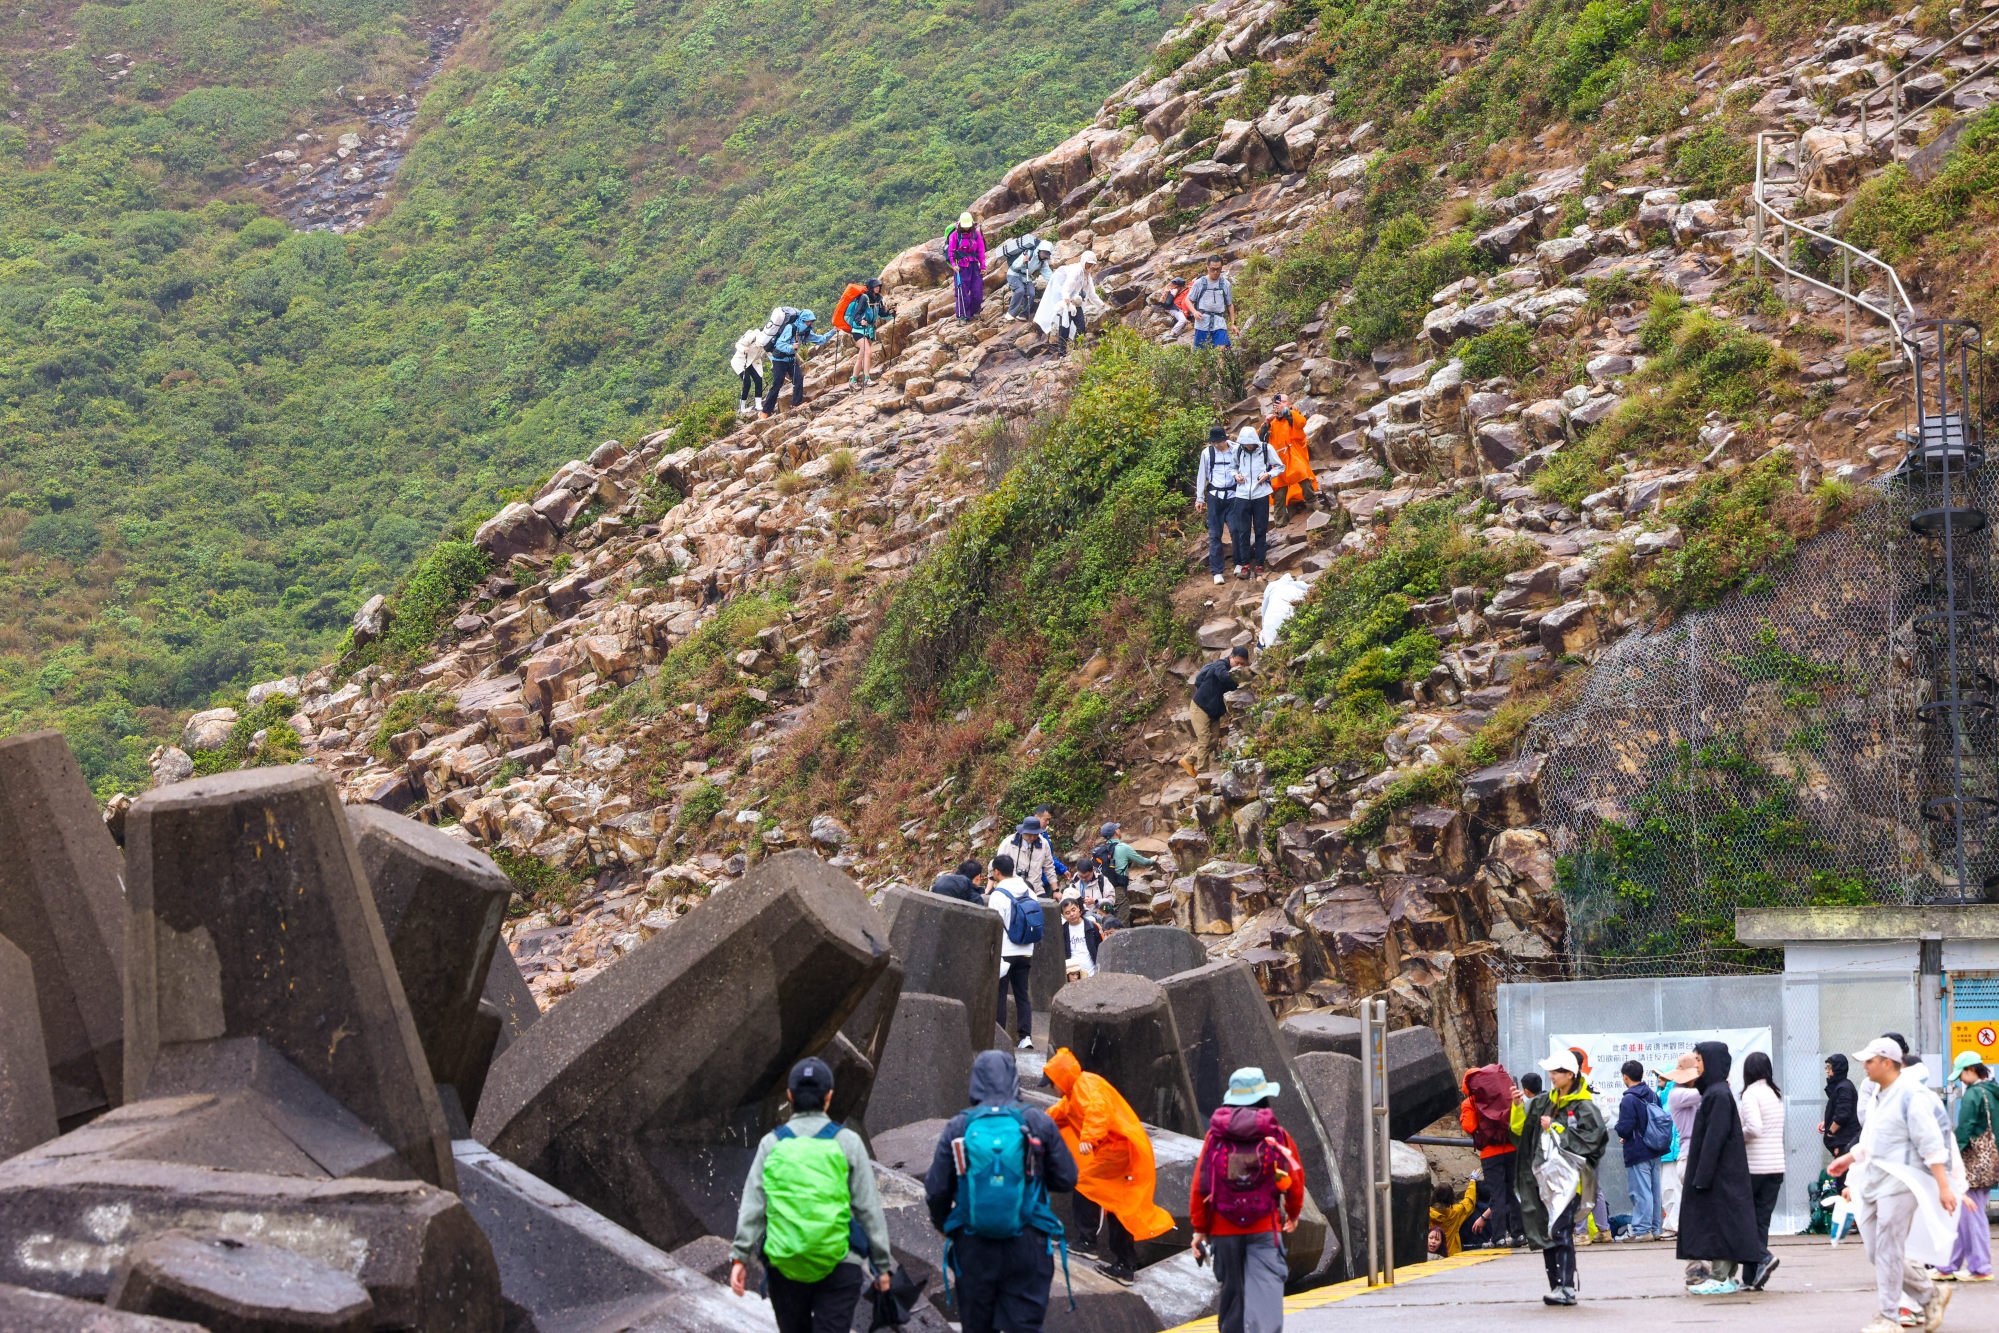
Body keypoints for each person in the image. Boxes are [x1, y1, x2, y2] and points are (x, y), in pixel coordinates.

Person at [731, 1057, 894, 1332]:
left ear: (790, 1096)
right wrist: (881, 1265)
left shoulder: (771, 1144)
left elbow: (753, 1205)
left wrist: (740, 1257)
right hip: (840, 1264)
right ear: (828, 1097)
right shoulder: (847, 1143)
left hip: (785, 1264)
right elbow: (868, 1208)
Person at [924, 1050, 1078, 1333]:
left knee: (977, 1325)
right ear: (1014, 1079)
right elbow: (1067, 1178)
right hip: (1028, 1240)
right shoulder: (1037, 1122)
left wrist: (946, 1225)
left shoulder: (959, 1126)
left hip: (973, 1243)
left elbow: (936, 1190)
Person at [1831, 1037, 1959, 1333]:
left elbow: (1930, 1143)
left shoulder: (1910, 1095)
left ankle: (1889, 1317)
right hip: (1876, 1178)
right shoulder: (1878, 1092)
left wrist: (1943, 1185)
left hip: (1902, 1182)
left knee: (1888, 1248)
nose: (1865, 1066)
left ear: (1887, 1062)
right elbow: (1876, 1138)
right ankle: (1930, 1294)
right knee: (1878, 1251)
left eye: (1870, 1060)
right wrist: (1850, 1158)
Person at [1043, 1048, 1174, 1284]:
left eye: (1051, 1083)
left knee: (1086, 1183)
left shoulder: (1086, 1086)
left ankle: (1088, 1242)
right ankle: (1123, 1264)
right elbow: (1057, 1113)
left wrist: (1088, 1137)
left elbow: (1098, 1110)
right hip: (1118, 1151)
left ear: (1060, 1079)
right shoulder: (1074, 1093)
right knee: (1116, 1203)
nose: (1052, 1089)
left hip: (1120, 1150)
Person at [1190, 1067, 1304, 1333]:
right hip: (1264, 1228)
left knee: (1232, 1300)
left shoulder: (1214, 1136)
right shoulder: (1276, 1134)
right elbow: (1294, 1175)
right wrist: (1294, 1212)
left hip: (1223, 1229)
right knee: (1265, 1300)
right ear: (1264, 1097)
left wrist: (1200, 1229)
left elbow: (1200, 1184)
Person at [1510, 1049, 1606, 1306]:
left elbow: (1593, 1140)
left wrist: (1555, 1128)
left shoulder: (1584, 1106)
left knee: (1560, 1230)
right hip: (1545, 1181)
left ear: (1570, 1074)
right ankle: (1557, 1286)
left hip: (1569, 1182)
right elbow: (1520, 1129)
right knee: (1548, 1232)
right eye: (1551, 1071)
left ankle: (1566, 1287)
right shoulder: (1544, 1102)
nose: (1551, 1076)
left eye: (1556, 1071)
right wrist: (1518, 1107)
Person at [1675, 1042, 1762, 1296]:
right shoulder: (1716, 1092)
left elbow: (1714, 1138)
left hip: (1721, 1176)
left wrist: (1702, 1175)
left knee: (1723, 1226)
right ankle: (1725, 1276)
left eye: (1700, 1060)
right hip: (1724, 1175)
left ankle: (1720, 1276)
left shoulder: (1717, 1095)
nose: (1697, 1066)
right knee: (1727, 1224)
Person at [1939, 1052, 1998, 1282]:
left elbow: (1965, 1129)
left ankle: (1980, 1267)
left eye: (1962, 1074)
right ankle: (1949, 1265)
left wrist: (1952, 1158)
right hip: (1992, 1161)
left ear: (1971, 1070)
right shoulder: (1993, 1091)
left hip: (1973, 1163)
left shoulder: (1974, 1094)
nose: (1961, 1080)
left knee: (1971, 1216)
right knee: (1967, 1215)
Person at [1461, 1064, 1523, 1247]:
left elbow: (1469, 1126)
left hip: (1490, 1153)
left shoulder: (1470, 1102)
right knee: (1512, 1191)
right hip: (1511, 1148)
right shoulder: (1502, 1096)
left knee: (1497, 1194)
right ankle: (1518, 1234)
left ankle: (1498, 1237)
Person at [1739, 1051, 1785, 1289]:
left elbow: (1754, 1129)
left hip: (1755, 1167)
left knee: (1743, 1221)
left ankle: (1763, 1257)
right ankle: (1752, 1278)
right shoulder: (1774, 1094)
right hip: (1776, 1167)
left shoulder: (1750, 1094)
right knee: (1760, 1223)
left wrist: (1738, 1136)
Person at [988, 853, 1041, 1050]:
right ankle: (1025, 1037)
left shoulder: (998, 895)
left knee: (1000, 994)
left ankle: (999, 1037)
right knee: (1022, 994)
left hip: (1005, 951)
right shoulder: (1028, 890)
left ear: (996, 872)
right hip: (1027, 948)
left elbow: (994, 924)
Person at [1612, 1059, 1665, 1242]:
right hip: (1654, 1149)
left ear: (1625, 1077)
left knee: (1641, 1191)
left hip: (1637, 1150)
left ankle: (1642, 1230)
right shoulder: (1652, 1095)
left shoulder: (1629, 1099)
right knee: (1654, 1190)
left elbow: (1625, 1127)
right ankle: (1655, 1227)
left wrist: (1621, 1130)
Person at [1181, 645, 1249, 779]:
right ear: (1231, 658)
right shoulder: (1220, 665)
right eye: (1237, 662)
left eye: (1242, 664)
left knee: (1213, 741)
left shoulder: (1239, 672)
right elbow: (1223, 677)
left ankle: (1188, 760)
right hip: (1200, 707)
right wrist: (1240, 676)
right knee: (1204, 739)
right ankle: (1203, 775)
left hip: (1213, 712)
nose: (1239, 666)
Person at [1195, 424, 1244, 586]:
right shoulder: (1207, 453)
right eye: (1214, 442)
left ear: (1225, 439)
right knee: (1214, 534)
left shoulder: (1237, 450)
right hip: (1215, 497)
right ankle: (1217, 572)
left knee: (1236, 530)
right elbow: (1202, 475)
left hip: (1233, 495)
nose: (1216, 445)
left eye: (1219, 442)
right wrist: (1200, 498)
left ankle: (1239, 563)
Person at [1230, 425, 1281, 579]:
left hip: (1261, 494)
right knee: (1243, 531)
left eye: (1249, 443)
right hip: (1242, 495)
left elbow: (1280, 466)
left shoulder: (1266, 449)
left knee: (1260, 530)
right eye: (1244, 443)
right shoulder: (1237, 450)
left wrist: (1268, 474)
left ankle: (1259, 563)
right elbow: (1232, 467)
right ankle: (1245, 564)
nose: (1247, 446)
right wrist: (1236, 476)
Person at [760, 309, 832, 419]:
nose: (809, 324)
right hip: (779, 360)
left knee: (798, 379)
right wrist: (791, 347)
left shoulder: (805, 332)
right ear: (802, 320)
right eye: (807, 321)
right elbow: (779, 344)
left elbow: (820, 340)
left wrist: (833, 331)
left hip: (791, 359)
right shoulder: (791, 328)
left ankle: (796, 404)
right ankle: (765, 412)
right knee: (777, 385)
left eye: (811, 322)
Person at [1659, 1053, 1700, 1236]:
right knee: (1669, 1189)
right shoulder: (1672, 1096)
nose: (1659, 1080)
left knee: (1674, 1189)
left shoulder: (1674, 1095)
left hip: (1676, 1150)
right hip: (1672, 1151)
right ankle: (1674, 1224)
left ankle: (1676, 1225)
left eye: (1661, 1077)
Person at [1262, 394, 1318, 525]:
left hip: (1293, 455)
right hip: (1277, 461)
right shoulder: (1272, 422)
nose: (1280, 405)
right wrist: (1266, 424)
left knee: (1302, 475)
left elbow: (1301, 423)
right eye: (1278, 403)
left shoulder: (1293, 415)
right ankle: (1280, 521)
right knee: (1279, 490)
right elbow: (1260, 439)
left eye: (1283, 402)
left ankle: (1313, 503)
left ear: (1288, 403)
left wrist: (1287, 411)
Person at [1034, 250, 1103, 356]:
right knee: (1064, 328)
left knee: (1081, 327)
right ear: (1083, 261)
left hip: (1076, 303)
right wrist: (1066, 299)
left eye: (1092, 265)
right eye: (1088, 264)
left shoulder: (1087, 276)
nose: (1090, 266)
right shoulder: (1076, 271)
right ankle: (1062, 353)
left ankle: (1077, 349)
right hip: (1066, 303)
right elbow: (1067, 287)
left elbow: (1092, 294)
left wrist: (1101, 305)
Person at [1087, 821, 1154, 919]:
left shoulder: (1099, 850)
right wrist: (1153, 860)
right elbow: (1144, 862)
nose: (1119, 829)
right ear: (1116, 832)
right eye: (1118, 828)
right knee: (1122, 921)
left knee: (1106, 919)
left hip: (1102, 890)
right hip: (1118, 890)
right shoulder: (1123, 848)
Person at [843, 278, 891, 388]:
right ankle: (867, 379)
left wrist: (891, 313)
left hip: (869, 330)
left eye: (879, 286)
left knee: (861, 356)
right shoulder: (863, 298)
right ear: (870, 287)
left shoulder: (878, 299)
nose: (878, 288)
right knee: (868, 352)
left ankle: (853, 380)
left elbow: (882, 314)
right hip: (858, 330)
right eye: (875, 286)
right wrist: (861, 321)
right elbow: (856, 315)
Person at [997, 817, 1059, 898]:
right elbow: (998, 866)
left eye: (1035, 835)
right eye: (1029, 835)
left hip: (1036, 889)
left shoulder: (1044, 844)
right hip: (1012, 889)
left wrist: (1056, 890)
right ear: (1022, 832)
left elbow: (1049, 867)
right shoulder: (1008, 843)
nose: (1032, 838)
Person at [946, 212, 988, 321]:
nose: (966, 229)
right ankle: (963, 315)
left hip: (974, 266)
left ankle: (973, 312)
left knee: (977, 292)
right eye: (964, 227)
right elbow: (951, 252)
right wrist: (954, 265)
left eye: (967, 226)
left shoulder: (976, 234)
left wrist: (983, 267)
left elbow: (981, 251)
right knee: (962, 293)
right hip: (961, 267)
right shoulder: (954, 235)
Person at [1188, 258, 1235, 349]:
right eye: (1213, 269)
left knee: (1221, 349)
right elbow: (1188, 300)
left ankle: (1220, 363)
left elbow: (1230, 304)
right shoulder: (1199, 283)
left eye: (1218, 269)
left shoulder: (1226, 284)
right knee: (1200, 353)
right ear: (1207, 268)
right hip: (1202, 322)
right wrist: (1194, 312)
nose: (1216, 272)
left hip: (1219, 322)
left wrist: (1233, 323)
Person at [1823, 1052, 1861, 1160]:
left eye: (1829, 1067)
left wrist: (1830, 1132)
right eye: (1826, 1067)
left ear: (1838, 1068)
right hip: (1843, 1140)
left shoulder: (1844, 1087)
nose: (1827, 1071)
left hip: (1844, 1141)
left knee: (1843, 1174)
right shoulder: (1841, 1086)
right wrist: (1827, 1123)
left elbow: (1843, 1114)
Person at [1007, 238, 1055, 322]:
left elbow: (1048, 275)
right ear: (1039, 250)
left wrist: (1055, 283)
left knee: (1031, 294)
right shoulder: (1028, 253)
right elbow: (1014, 266)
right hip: (1014, 274)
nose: (1045, 256)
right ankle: (1010, 314)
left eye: (1047, 254)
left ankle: (1024, 315)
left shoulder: (1043, 262)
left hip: (1026, 276)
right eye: (1044, 253)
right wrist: (1023, 261)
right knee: (1020, 290)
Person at [1429, 1179, 1478, 1258]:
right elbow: (1469, 1201)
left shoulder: (1428, 1214)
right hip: (1452, 1255)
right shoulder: (1456, 1212)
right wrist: (1472, 1181)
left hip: (1431, 1254)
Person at [1058, 894, 1101, 981]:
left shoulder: (1092, 926)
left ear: (1078, 908)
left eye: (1073, 910)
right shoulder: (1062, 931)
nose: (1072, 914)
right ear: (1063, 915)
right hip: (1073, 974)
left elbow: (1100, 947)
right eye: (1067, 912)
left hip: (1092, 971)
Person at [732, 325, 769, 415]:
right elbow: (738, 344)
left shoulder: (767, 340)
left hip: (753, 361)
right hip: (740, 361)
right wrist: (744, 349)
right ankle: (742, 407)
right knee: (747, 382)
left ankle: (758, 404)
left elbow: (770, 353)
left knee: (758, 380)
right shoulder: (753, 336)